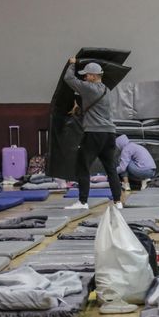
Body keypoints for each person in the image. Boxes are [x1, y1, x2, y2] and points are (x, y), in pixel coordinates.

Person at [63, 59, 122, 210]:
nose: (84, 77)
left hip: (94, 133)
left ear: (94, 76)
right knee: (111, 168)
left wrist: (72, 64)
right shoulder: (107, 90)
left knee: (82, 167)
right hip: (110, 134)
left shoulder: (90, 88)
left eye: (87, 75)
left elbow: (68, 79)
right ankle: (118, 201)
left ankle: (82, 202)